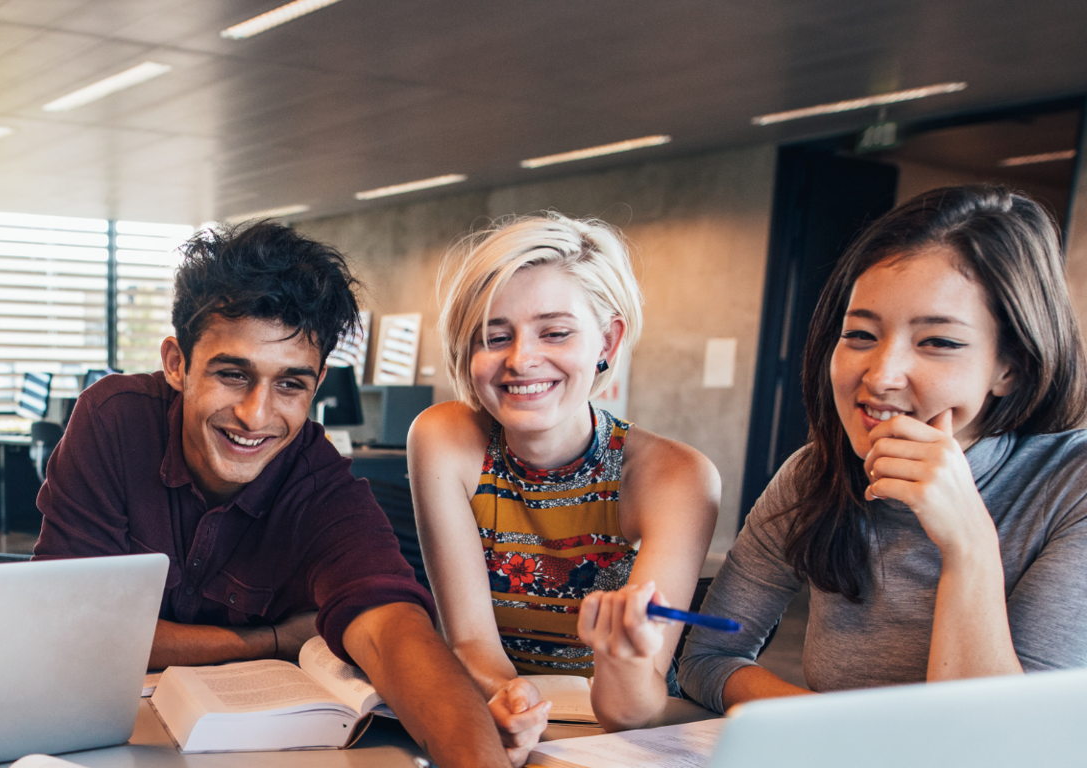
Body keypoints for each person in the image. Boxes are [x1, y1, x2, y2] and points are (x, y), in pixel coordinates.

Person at [35, 221, 520, 767]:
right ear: (177, 363)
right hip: (96, 742)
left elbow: (393, 630)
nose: (255, 415)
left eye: (290, 384)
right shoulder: (113, 420)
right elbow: (69, 629)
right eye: (233, 374)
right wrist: (268, 639)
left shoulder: (320, 481)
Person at [678, 185, 1087, 712]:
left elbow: (1008, 742)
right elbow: (709, 654)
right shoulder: (815, 472)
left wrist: (967, 545)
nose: (882, 375)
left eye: (938, 342)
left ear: (1011, 366)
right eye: (861, 335)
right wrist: (832, 731)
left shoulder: (1071, 486)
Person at [408, 214, 719, 732]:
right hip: (498, 714)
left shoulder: (676, 476)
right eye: (494, 336)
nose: (522, 359)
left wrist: (622, 657)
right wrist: (513, 702)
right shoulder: (443, 438)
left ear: (607, 343)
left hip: (613, 734)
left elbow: (633, 710)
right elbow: (471, 644)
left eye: (554, 332)